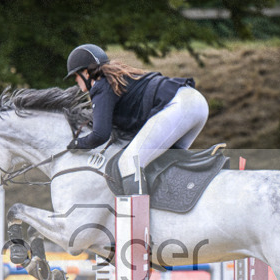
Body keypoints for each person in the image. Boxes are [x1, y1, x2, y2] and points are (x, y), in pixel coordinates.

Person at [63, 43, 209, 195]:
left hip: (179, 106)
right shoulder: (117, 77)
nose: (76, 80)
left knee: (129, 163)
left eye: (75, 75)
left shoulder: (101, 85)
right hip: (195, 102)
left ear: (86, 73)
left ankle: (139, 211)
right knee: (163, 163)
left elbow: (100, 135)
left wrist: (78, 143)